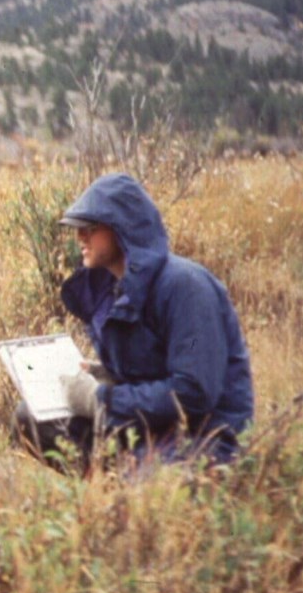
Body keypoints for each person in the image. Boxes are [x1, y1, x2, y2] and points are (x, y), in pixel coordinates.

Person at [16, 173, 254, 469]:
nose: (80, 237)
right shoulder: (112, 291)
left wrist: (100, 399)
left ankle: (126, 496)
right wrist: (106, 375)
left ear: (122, 229)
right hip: (145, 429)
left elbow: (193, 392)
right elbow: (154, 369)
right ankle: (106, 494)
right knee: (33, 416)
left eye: (90, 228)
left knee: (151, 478)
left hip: (203, 440)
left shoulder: (187, 288)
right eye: (78, 228)